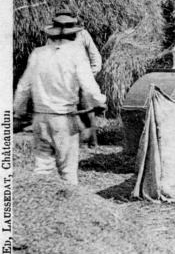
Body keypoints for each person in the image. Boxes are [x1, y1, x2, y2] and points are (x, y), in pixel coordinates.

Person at [14, 17, 107, 185]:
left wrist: (18, 114)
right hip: (64, 118)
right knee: (68, 169)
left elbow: (23, 88)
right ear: (73, 34)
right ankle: (70, 204)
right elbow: (88, 85)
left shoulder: (38, 54)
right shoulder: (76, 54)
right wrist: (99, 101)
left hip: (40, 118)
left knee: (42, 167)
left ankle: (40, 203)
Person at [46, 7, 103, 146]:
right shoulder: (52, 37)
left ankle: (92, 142)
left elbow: (95, 57)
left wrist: (90, 74)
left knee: (87, 111)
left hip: (82, 78)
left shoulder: (83, 35)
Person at [46, 7, 102, 75]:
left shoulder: (82, 34)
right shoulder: (51, 39)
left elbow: (95, 57)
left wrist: (91, 75)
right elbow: (47, 62)